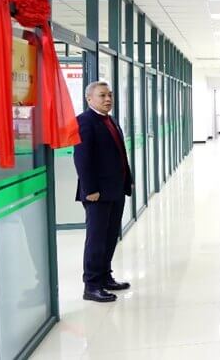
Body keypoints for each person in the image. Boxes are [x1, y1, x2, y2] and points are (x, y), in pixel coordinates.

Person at [73, 81, 132, 303]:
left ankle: (105, 276)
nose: (108, 99)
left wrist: (128, 180)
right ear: (89, 99)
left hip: (115, 189)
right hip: (97, 193)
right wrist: (90, 190)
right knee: (96, 240)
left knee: (110, 237)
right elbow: (82, 158)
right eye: (102, 95)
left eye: (110, 95)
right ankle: (92, 285)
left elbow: (120, 154)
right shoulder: (85, 121)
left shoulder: (111, 120)